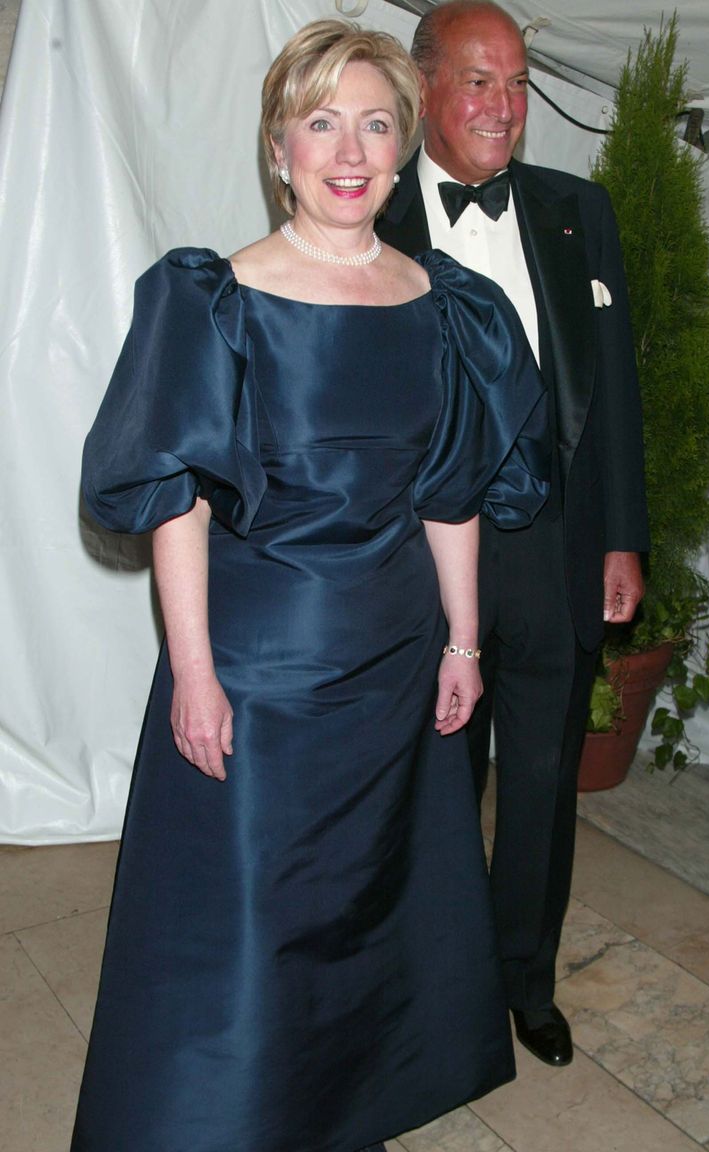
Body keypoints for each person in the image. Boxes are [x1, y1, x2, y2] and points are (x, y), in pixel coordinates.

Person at [71, 19, 550, 1152]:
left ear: (402, 147)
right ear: (279, 146)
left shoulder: (446, 306)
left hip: (396, 665)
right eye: (321, 122)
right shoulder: (217, 300)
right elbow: (180, 505)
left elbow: (450, 494)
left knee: (365, 913)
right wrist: (194, 673)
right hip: (260, 673)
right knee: (250, 920)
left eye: (375, 125)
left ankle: (339, 1112)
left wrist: (463, 644)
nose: (349, 151)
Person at [379, 0, 649, 1068]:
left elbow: (613, 391)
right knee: (429, 783)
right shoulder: (368, 212)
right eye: (479, 80)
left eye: (519, 82)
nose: (504, 105)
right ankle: (425, 981)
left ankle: (524, 980)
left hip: (552, 547)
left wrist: (622, 537)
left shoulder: (580, 211)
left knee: (541, 778)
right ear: (425, 90)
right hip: (417, 557)